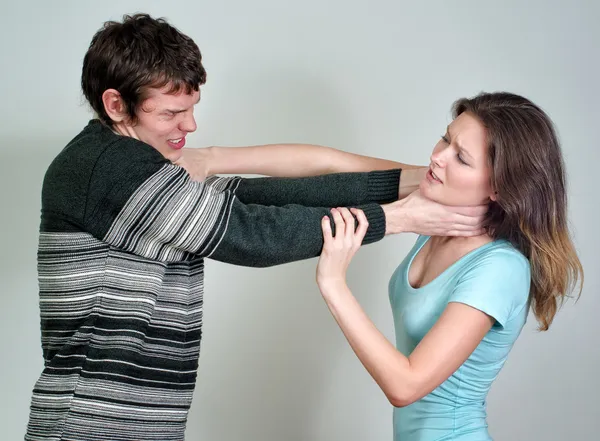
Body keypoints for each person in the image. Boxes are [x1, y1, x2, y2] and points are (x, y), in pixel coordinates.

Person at [25, 13, 486, 441]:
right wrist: (399, 218)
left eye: (191, 107)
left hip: (133, 424)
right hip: (88, 424)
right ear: (116, 104)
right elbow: (252, 235)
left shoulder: (141, 166)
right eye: (169, 113)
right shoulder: (109, 167)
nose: (190, 125)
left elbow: (264, 196)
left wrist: (408, 185)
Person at [315, 91, 584, 440]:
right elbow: (331, 164)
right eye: (445, 138)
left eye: (462, 157)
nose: (438, 157)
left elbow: (405, 384)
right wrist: (218, 159)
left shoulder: (500, 269)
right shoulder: (438, 212)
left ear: (499, 187)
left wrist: (334, 284)